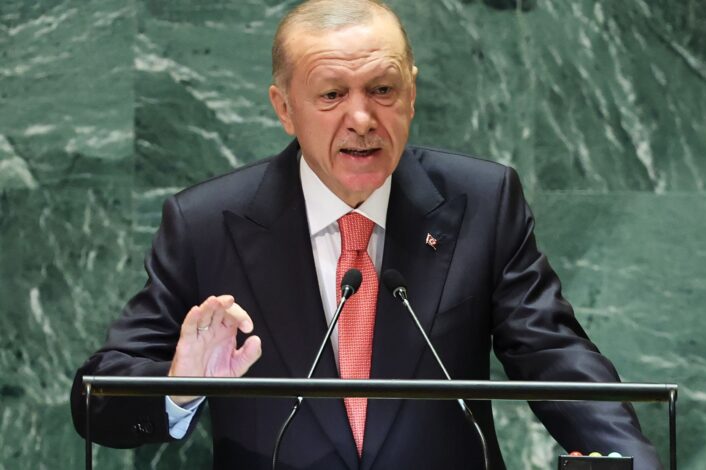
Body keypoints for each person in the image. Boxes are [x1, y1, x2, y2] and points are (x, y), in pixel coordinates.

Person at [71, 1, 663, 469]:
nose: (361, 119)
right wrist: (178, 387)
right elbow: (98, 398)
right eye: (332, 94)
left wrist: (632, 462)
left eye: (382, 90)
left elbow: (554, 357)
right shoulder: (206, 224)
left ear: (411, 92)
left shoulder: (483, 202)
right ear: (284, 107)